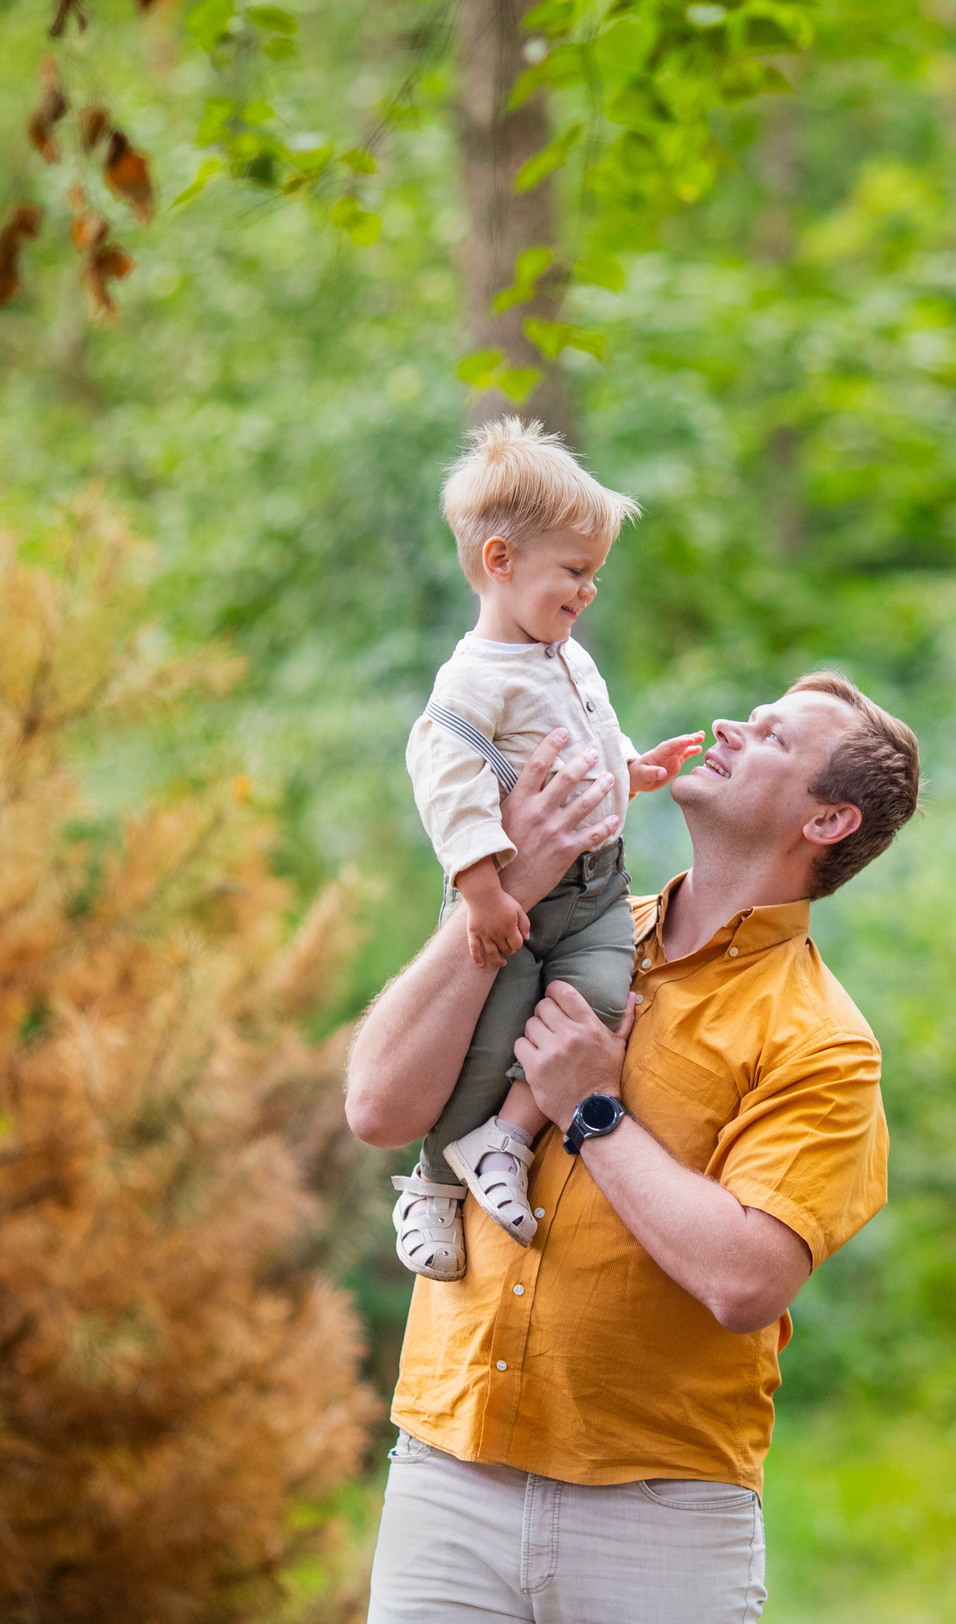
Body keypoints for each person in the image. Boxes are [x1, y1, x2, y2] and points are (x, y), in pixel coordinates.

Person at [346, 672, 923, 1623]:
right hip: (448, 1473)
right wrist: (516, 881)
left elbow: (746, 1279)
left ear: (827, 821)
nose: (735, 724)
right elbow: (377, 1103)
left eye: (775, 736)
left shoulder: (823, 1043)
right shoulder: (566, 925)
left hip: (659, 1517)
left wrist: (593, 1110)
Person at [394, 419, 703, 1279]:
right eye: (574, 572)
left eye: (594, 573)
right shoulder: (472, 680)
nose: (588, 590)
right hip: (514, 894)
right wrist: (483, 892)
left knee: (604, 999)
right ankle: (429, 1183)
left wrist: (632, 771)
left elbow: (582, 739)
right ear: (500, 561)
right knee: (493, 1037)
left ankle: (506, 1135)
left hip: (598, 887)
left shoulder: (564, 653)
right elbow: (447, 782)